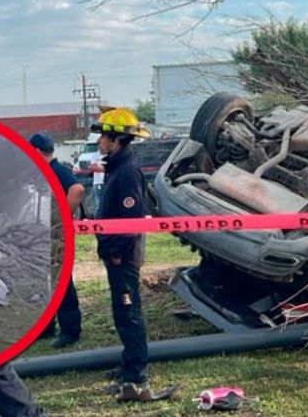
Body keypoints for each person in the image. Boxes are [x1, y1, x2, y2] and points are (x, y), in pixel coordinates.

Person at [91, 107, 177, 403]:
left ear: (117, 140)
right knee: (122, 314)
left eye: (104, 136)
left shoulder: (127, 172)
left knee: (130, 315)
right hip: (116, 254)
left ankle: (137, 377)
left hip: (123, 257)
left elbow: (130, 222)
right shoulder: (117, 168)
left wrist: (115, 253)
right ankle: (128, 367)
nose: (100, 141)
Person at [29, 132, 85, 349]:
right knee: (46, 281)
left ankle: (70, 330)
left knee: (61, 281)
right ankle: (47, 326)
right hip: (43, 236)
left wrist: (61, 218)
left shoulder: (57, 170)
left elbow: (77, 189)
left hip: (55, 237)